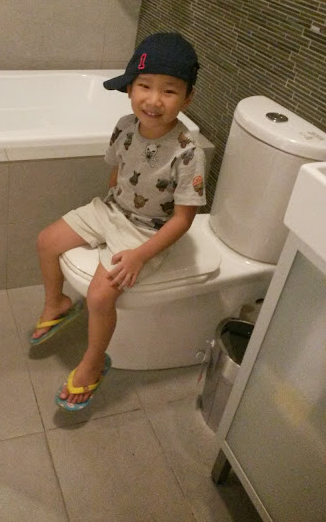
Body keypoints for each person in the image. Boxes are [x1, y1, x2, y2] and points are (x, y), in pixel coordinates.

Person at [30, 32, 206, 411]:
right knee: (46, 241)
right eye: (145, 86)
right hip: (111, 209)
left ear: (187, 98)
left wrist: (140, 255)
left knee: (99, 295)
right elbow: (116, 172)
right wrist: (104, 216)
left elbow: (183, 220)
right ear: (129, 88)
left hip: (147, 230)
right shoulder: (126, 125)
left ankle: (93, 363)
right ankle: (56, 303)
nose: (154, 100)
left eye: (169, 91)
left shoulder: (188, 152)